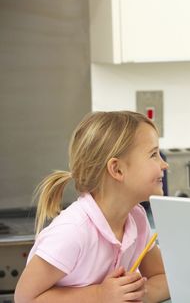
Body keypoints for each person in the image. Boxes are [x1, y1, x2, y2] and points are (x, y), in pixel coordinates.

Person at [15, 111, 170, 303]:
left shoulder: (137, 219)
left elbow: (165, 278)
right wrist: (99, 296)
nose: (164, 165)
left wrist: (137, 294)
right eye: (153, 154)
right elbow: (25, 298)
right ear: (117, 169)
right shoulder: (72, 231)